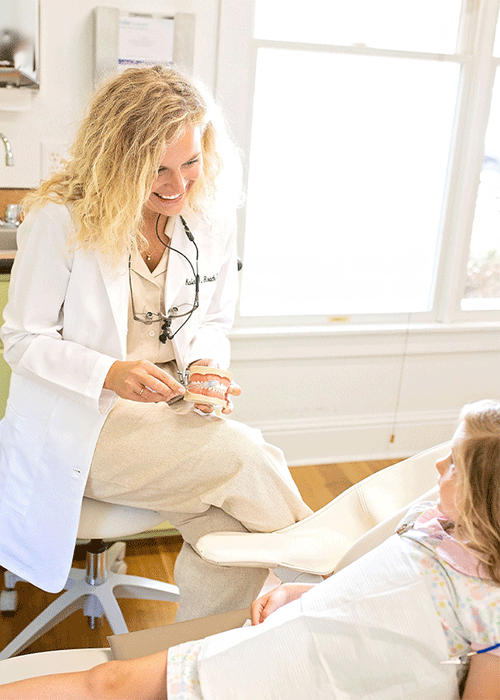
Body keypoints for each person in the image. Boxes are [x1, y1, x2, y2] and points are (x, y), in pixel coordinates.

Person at [0, 64, 312, 621]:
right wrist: (110, 372)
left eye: (189, 163)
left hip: (169, 409)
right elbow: (22, 340)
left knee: (227, 532)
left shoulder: (207, 213)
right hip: (82, 420)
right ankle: (332, 583)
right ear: (116, 161)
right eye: (156, 171)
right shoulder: (62, 219)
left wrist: (206, 366)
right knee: (241, 454)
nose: (176, 186)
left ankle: (196, 661)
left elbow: (211, 319)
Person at [1, 399, 500, 700]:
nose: (438, 470)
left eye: (454, 465)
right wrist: (303, 592)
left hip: (314, 682)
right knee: (108, 681)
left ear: (487, 497)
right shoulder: (431, 520)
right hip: (282, 636)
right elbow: (376, 584)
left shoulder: (489, 611)